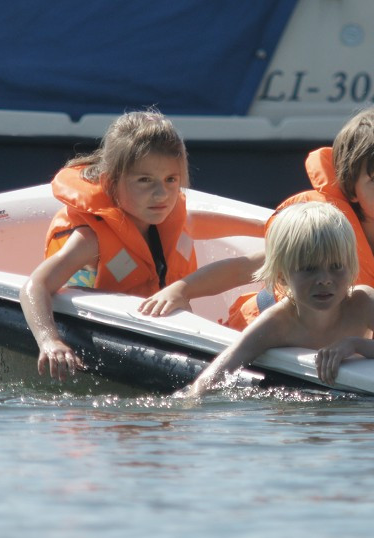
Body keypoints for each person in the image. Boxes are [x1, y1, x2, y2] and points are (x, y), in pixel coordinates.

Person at [20, 109, 263, 380]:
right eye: (144, 181)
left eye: (171, 180)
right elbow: (35, 286)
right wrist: (49, 340)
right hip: (107, 339)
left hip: (164, 339)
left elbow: (202, 223)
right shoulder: (90, 239)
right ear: (110, 183)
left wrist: (269, 226)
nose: (161, 194)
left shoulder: (165, 218)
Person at [207, 105, 374, 329]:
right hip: (267, 334)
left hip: (357, 345)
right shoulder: (321, 228)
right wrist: (183, 291)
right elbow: (246, 267)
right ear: (351, 188)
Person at [186, 202, 374, 396]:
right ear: (282, 275)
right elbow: (214, 375)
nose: (325, 280)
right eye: (309, 269)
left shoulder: (363, 303)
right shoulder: (277, 323)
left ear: (352, 269)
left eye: (336, 267)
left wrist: (356, 344)